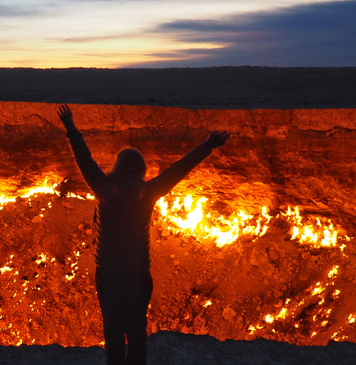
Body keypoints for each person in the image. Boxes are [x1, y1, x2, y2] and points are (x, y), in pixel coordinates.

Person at [57, 104, 229, 365]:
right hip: (137, 274)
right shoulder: (149, 192)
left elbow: (84, 158)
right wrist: (208, 145)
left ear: (118, 167)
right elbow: (180, 168)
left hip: (109, 274)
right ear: (141, 171)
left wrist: (70, 126)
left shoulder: (103, 188)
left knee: (113, 331)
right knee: (137, 331)